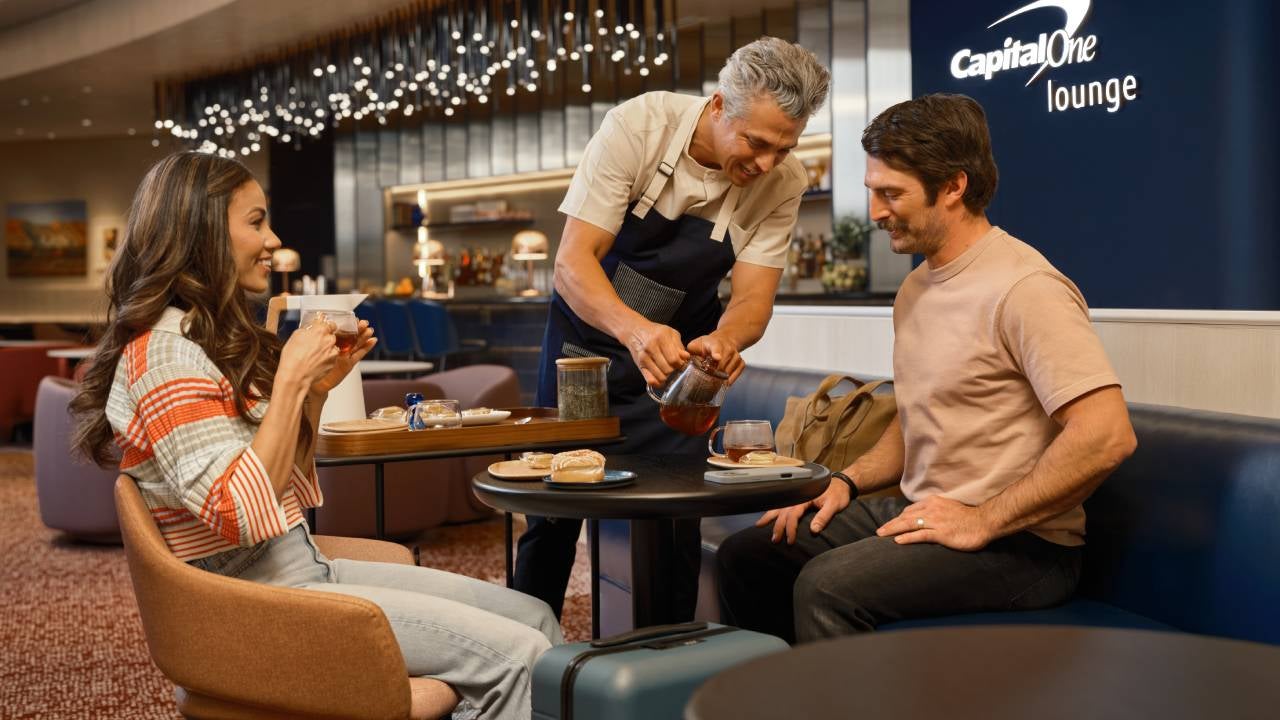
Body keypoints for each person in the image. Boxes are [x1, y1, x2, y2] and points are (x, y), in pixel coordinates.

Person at [70, 152, 562, 719]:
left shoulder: (196, 342)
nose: (273, 238)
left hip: (298, 569)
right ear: (202, 232)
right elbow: (238, 512)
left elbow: (282, 487)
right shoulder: (167, 357)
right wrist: (289, 382)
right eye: (255, 221)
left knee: (536, 617)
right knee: (521, 654)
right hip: (259, 600)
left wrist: (315, 392)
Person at [716, 94, 1138, 643]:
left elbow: (1107, 436)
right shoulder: (916, 288)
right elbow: (917, 416)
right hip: (927, 512)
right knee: (750, 553)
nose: (875, 213)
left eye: (892, 194)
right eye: (873, 192)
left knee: (827, 586)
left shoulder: (1026, 288)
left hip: (1024, 546)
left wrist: (981, 519)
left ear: (954, 187)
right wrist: (845, 481)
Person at [515, 37, 831, 622]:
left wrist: (727, 341)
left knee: (677, 513)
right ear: (718, 107)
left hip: (683, 371)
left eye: (783, 147)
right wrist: (636, 333)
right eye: (756, 143)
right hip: (587, 353)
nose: (766, 163)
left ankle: (667, 659)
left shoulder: (783, 182)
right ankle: (519, 661)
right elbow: (573, 263)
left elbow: (753, 301)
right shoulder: (639, 128)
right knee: (553, 515)